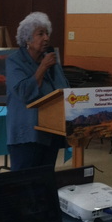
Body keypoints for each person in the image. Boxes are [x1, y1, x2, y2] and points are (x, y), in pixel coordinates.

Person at [6, 12, 69, 171]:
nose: (46, 38)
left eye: (47, 33)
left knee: (44, 179)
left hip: (52, 131)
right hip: (27, 134)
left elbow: (64, 90)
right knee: (23, 180)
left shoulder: (52, 61)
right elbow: (24, 93)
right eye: (40, 34)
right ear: (27, 39)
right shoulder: (14, 61)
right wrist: (43, 67)